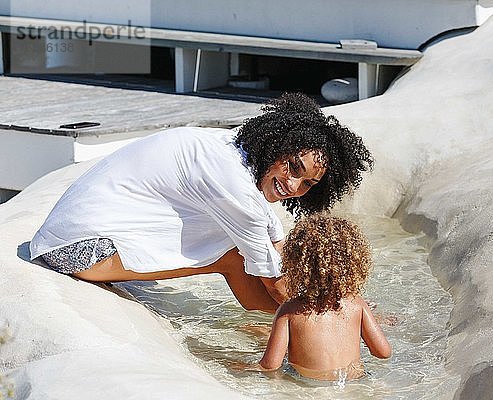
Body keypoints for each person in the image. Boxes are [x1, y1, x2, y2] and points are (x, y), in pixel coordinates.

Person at [29, 93, 373, 313]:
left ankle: (272, 327)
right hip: (72, 251)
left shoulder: (234, 152)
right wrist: (339, 315)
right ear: (278, 145)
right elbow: (274, 278)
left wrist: (338, 294)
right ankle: (282, 327)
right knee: (232, 259)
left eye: (308, 184)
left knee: (241, 253)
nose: (294, 185)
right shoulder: (234, 186)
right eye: (293, 167)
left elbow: (276, 246)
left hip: (72, 236)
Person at [254, 214, 391, 380]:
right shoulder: (357, 304)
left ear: (296, 264)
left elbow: (270, 366)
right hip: (353, 384)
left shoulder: (289, 310)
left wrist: (234, 364)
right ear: (353, 263)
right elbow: (383, 352)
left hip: (307, 387)